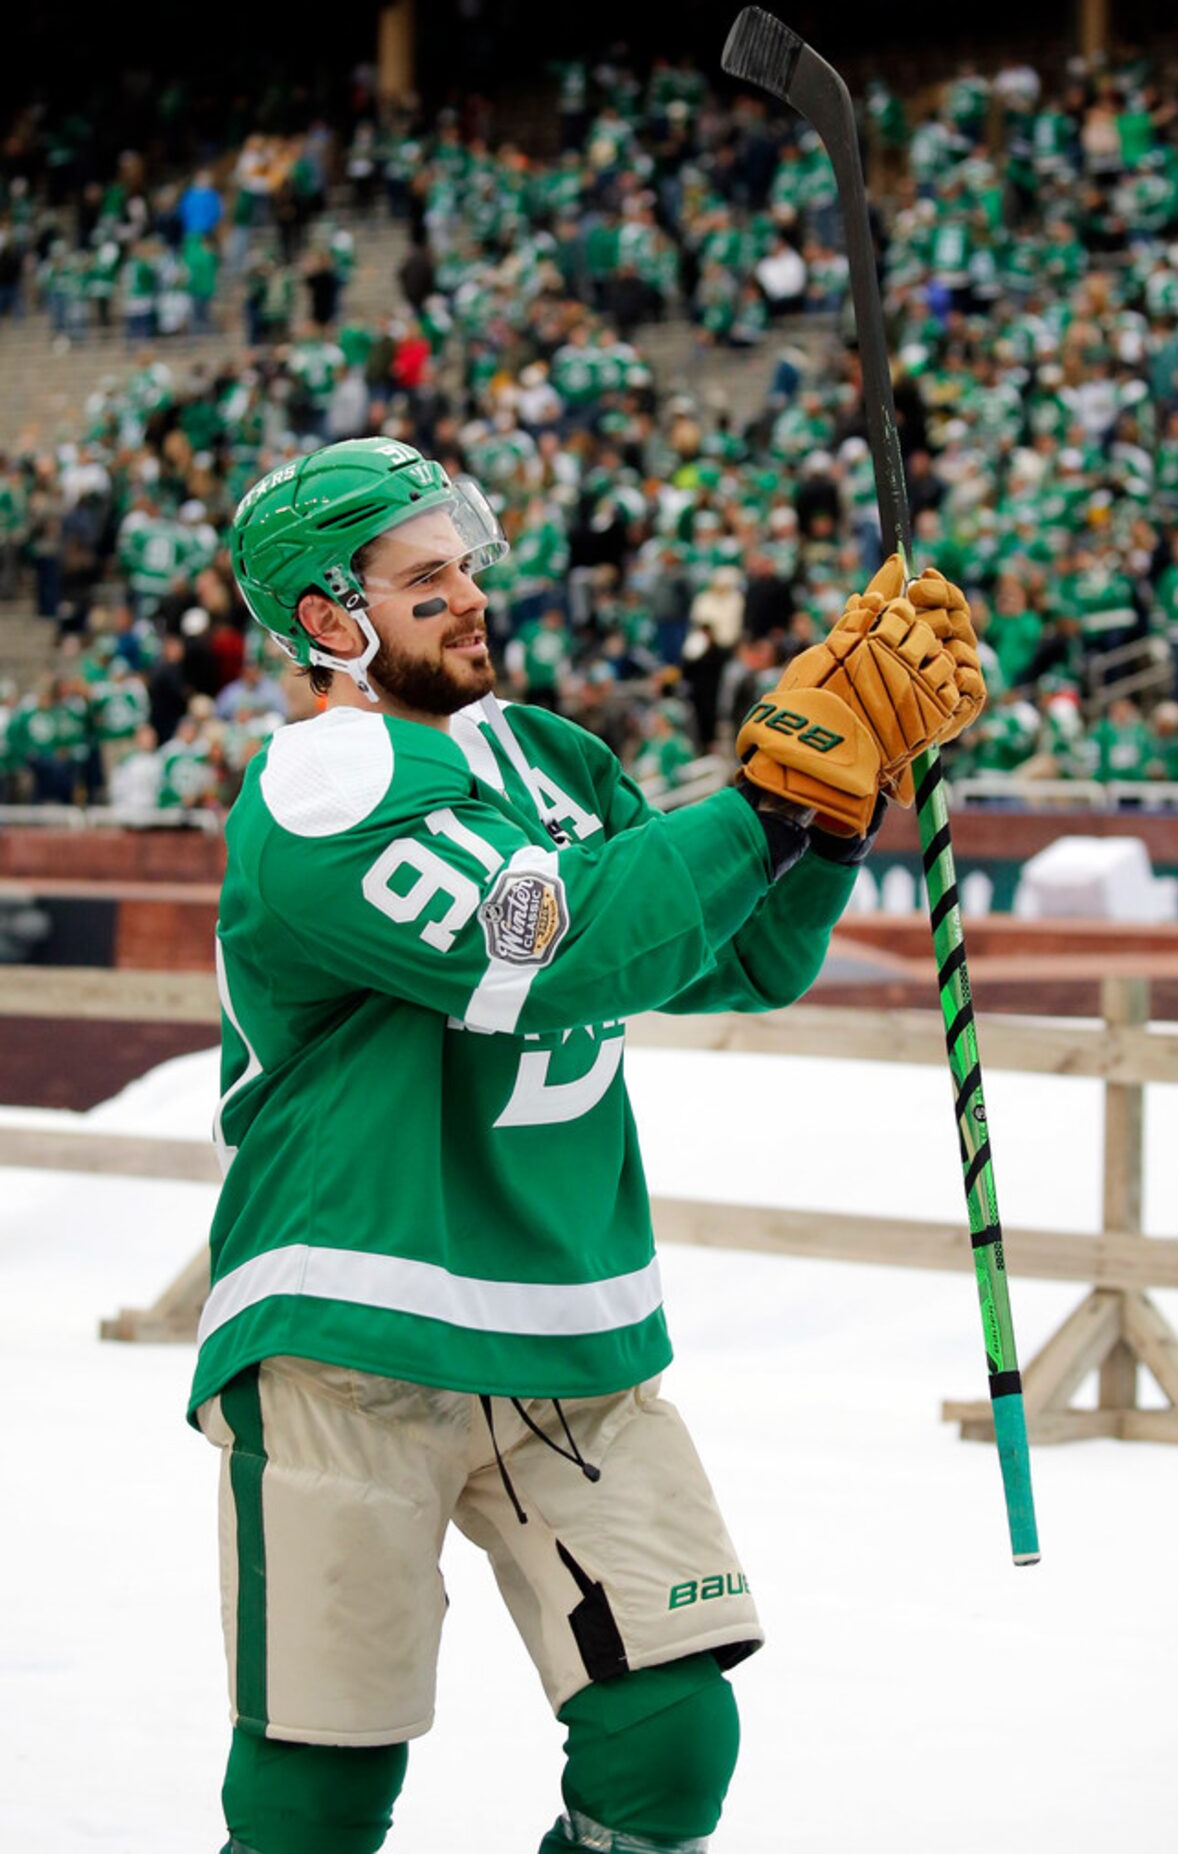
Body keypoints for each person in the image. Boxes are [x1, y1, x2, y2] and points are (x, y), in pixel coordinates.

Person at [194, 438, 983, 1854]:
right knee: (320, 1784)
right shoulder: (321, 786)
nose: (467, 595)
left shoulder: (546, 753)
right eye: (422, 579)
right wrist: (766, 800)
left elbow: (729, 954)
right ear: (328, 618)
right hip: (353, 1323)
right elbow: (549, 947)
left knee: (670, 1742)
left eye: (465, 566)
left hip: (568, 1322)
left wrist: (833, 804)